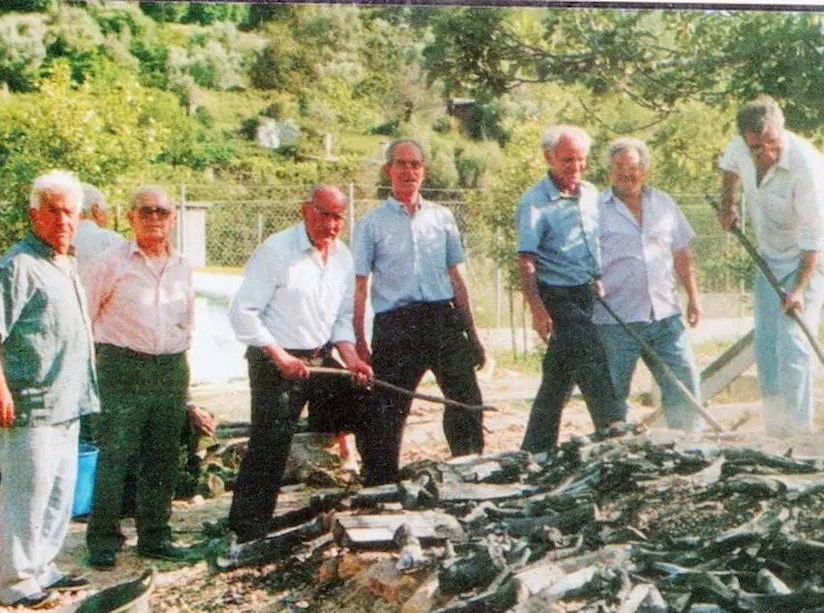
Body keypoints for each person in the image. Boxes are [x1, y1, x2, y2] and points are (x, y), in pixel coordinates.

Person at [227, 185, 394, 541]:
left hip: (318, 359)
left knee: (370, 403)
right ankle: (247, 530)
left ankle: (379, 495)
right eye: (324, 214)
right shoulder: (276, 251)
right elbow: (243, 312)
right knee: (271, 441)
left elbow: (340, 319)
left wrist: (351, 359)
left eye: (338, 217)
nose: (331, 225)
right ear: (306, 211)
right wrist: (280, 356)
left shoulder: (343, 257)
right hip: (275, 360)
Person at [0, 170, 100, 607]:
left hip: (67, 402)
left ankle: (44, 567)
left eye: (70, 212)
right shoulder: (18, 264)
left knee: (59, 494)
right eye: (53, 211)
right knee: (28, 495)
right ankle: (18, 583)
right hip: (30, 405)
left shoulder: (64, 262)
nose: (62, 220)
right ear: (33, 214)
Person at [81, 186, 214, 569]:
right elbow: (84, 317)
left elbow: (185, 320)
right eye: (146, 211)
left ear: (172, 219)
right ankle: (104, 540)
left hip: (170, 367)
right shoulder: (109, 263)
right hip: (123, 367)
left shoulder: (183, 266)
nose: (154, 218)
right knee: (116, 455)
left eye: (162, 212)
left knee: (162, 457)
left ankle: (155, 536)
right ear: (130, 217)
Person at [352, 138, 486, 474]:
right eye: (402, 164)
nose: (409, 171)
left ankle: (470, 473)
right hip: (397, 326)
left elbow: (457, 278)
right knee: (386, 408)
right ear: (389, 170)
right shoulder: (370, 225)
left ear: (424, 171)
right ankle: (380, 484)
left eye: (416, 165)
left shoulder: (442, 219)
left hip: (443, 319)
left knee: (465, 402)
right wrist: (359, 341)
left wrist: (473, 335)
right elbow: (359, 286)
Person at [717, 95, 824, 437]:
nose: (765, 154)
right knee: (766, 341)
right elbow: (729, 167)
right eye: (756, 148)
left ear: (780, 133)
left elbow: (814, 236)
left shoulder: (808, 166)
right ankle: (776, 428)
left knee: (793, 337)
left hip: (810, 256)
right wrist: (727, 204)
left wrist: (798, 289)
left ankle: (799, 432)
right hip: (770, 251)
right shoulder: (740, 146)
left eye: (771, 144)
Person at [517, 125, 626, 453]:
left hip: (584, 291)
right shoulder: (534, 203)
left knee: (559, 375)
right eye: (567, 161)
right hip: (554, 294)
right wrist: (537, 307)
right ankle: (612, 429)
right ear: (549, 158)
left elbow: (589, 240)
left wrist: (597, 276)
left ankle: (534, 448)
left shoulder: (591, 193)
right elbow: (526, 261)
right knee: (590, 354)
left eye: (581, 160)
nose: (575, 168)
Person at [593, 137, 704, 431]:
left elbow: (682, 254)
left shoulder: (664, 204)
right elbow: (584, 257)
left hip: (665, 316)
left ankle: (691, 446)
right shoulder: (595, 209)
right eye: (619, 168)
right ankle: (614, 452)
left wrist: (693, 297)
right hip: (616, 319)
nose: (626, 174)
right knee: (614, 393)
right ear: (609, 172)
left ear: (644, 170)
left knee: (684, 383)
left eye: (633, 167)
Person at [72, 184, 125, 263]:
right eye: (106, 211)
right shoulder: (111, 240)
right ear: (96, 210)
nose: (108, 217)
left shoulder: (57, 242)